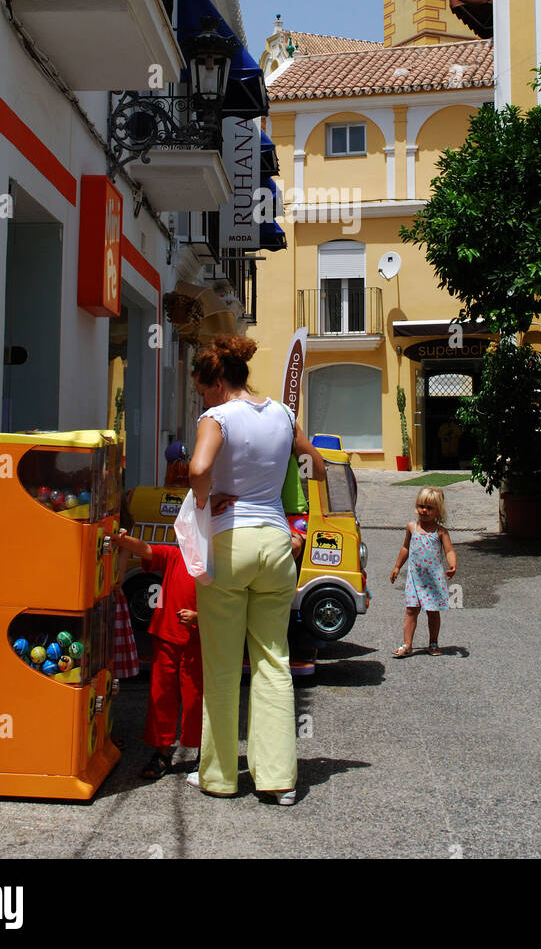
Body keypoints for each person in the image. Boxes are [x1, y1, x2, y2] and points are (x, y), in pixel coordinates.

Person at [188, 335, 326, 804]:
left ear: (218, 382)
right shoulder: (284, 417)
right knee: (273, 663)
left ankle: (220, 777)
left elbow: (197, 468)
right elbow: (317, 466)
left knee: (223, 668)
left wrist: (208, 498)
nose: (201, 399)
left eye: (202, 390)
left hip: (231, 544)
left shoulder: (217, 417)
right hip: (276, 544)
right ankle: (279, 780)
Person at [114, 530, 203, 779]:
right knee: (160, 696)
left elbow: (227, 603)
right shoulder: (175, 555)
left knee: (196, 699)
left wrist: (199, 617)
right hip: (165, 637)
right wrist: (122, 540)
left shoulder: (218, 564)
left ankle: (203, 752)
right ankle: (162, 752)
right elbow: (146, 550)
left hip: (199, 641)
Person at [390, 487, 457, 657]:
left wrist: (452, 565)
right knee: (411, 610)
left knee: (433, 612)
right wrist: (397, 566)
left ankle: (433, 643)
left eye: (429, 508)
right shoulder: (412, 527)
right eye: (421, 506)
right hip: (414, 578)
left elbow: (449, 550)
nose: (424, 511)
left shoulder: (440, 532)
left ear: (438, 511)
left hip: (433, 579)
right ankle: (407, 644)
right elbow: (405, 547)